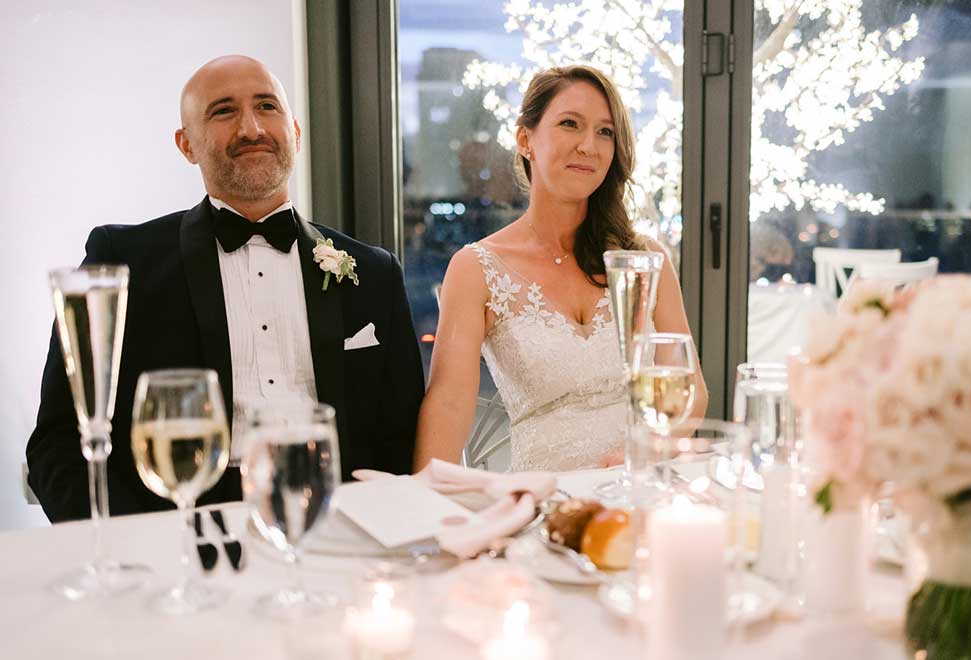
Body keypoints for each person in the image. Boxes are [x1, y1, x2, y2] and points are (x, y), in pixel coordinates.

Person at [27, 55, 424, 522]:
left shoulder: (375, 272)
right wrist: (138, 543)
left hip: (340, 525)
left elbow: (405, 437)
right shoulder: (123, 258)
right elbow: (60, 442)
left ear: (295, 132)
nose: (251, 128)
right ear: (186, 145)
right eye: (224, 111)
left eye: (267, 106)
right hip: (177, 526)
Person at [414, 65, 707, 472]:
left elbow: (691, 390)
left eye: (605, 132)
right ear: (525, 140)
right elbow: (448, 402)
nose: (589, 146)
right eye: (571, 124)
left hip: (641, 484)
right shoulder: (475, 269)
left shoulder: (644, 258)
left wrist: (649, 454)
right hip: (544, 497)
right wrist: (425, 499)